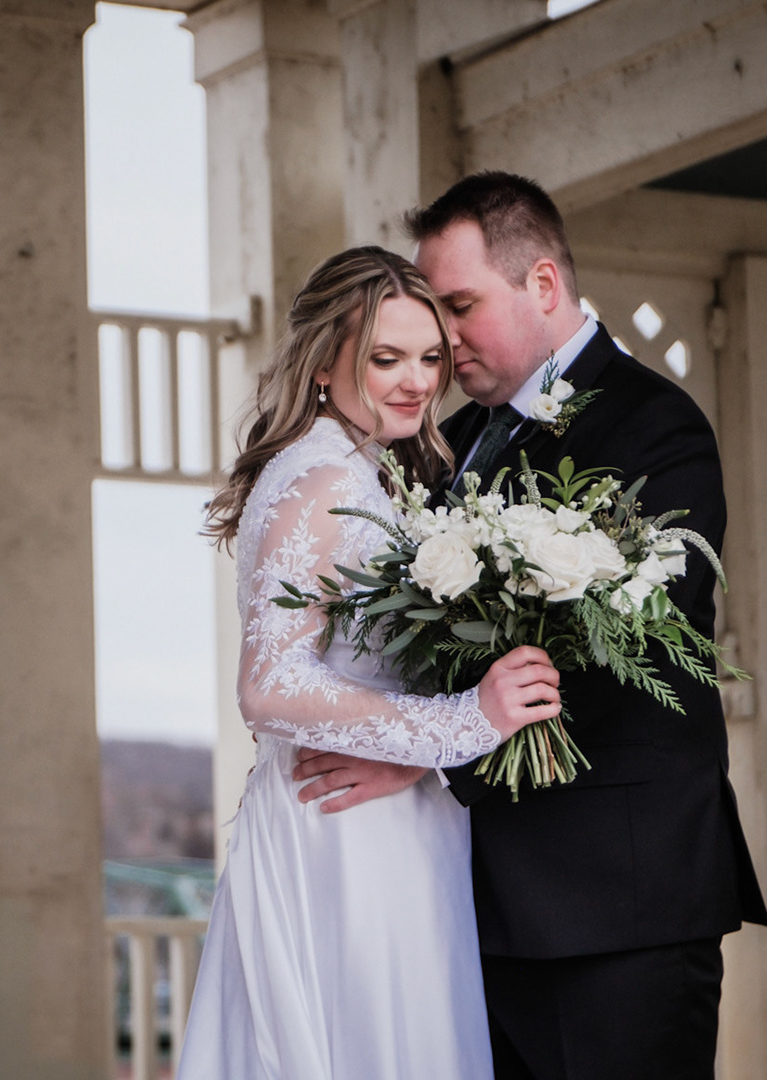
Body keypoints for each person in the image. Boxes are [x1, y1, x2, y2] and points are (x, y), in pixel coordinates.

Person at [292, 173, 767, 1079]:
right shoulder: (453, 438)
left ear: (542, 284)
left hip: (615, 906)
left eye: (460, 306)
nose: (442, 338)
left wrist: (424, 752)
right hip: (472, 904)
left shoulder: (656, 426)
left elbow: (623, 644)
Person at [175, 246, 563, 1080]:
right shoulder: (321, 478)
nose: (416, 382)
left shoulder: (366, 467)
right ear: (324, 363)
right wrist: (464, 722)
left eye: (429, 357)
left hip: (387, 814)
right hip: (342, 830)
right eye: (385, 359)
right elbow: (269, 686)